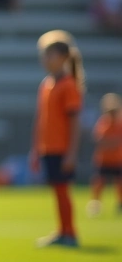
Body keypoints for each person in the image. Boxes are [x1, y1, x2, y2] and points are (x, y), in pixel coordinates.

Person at [30, 30, 85, 248]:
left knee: (62, 190)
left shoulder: (68, 85)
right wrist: (36, 149)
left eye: (49, 55)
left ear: (63, 57)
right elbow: (41, 120)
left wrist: (71, 152)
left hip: (62, 148)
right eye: (43, 55)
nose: (44, 59)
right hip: (48, 147)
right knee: (57, 189)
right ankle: (62, 230)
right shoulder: (46, 84)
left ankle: (69, 232)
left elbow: (74, 122)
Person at [88, 93, 122, 216]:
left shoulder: (119, 124)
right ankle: (96, 203)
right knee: (98, 182)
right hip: (103, 159)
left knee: (119, 183)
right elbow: (99, 139)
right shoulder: (103, 122)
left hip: (118, 159)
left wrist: (110, 142)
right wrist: (112, 142)